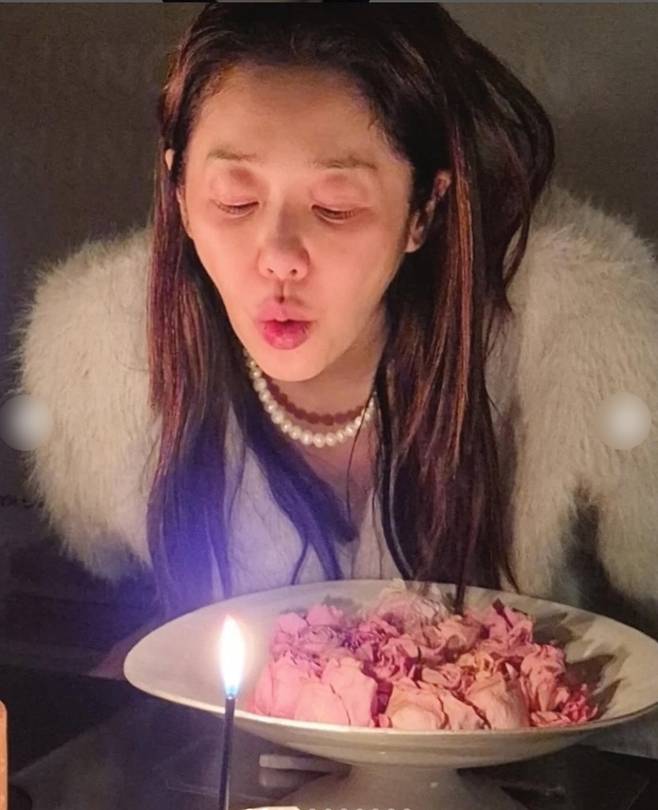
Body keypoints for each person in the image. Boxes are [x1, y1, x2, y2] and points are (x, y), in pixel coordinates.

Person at [9, 3, 658, 676]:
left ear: (423, 209)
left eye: (335, 207)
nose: (279, 256)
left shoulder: (571, 344)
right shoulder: (108, 361)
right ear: (179, 194)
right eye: (235, 200)